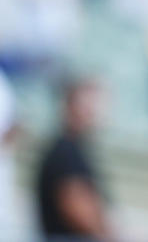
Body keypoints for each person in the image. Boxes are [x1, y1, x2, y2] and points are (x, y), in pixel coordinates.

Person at [36, 79, 112, 242]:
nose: (96, 111)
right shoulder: (65, 152)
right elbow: (79, 212)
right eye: (90, 103)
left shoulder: (74, 149)